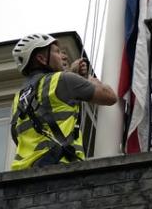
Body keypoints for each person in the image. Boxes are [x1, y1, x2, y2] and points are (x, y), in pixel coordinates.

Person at [9, 33, 117, 170]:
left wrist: (72, 74)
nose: (64, 56)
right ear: (42, 59)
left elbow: (17, 136)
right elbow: (110, 97)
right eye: (57, 52)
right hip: (60, 170)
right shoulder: (63, 80)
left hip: (22, 177)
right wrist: (89, 79)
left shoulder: (18, 98)